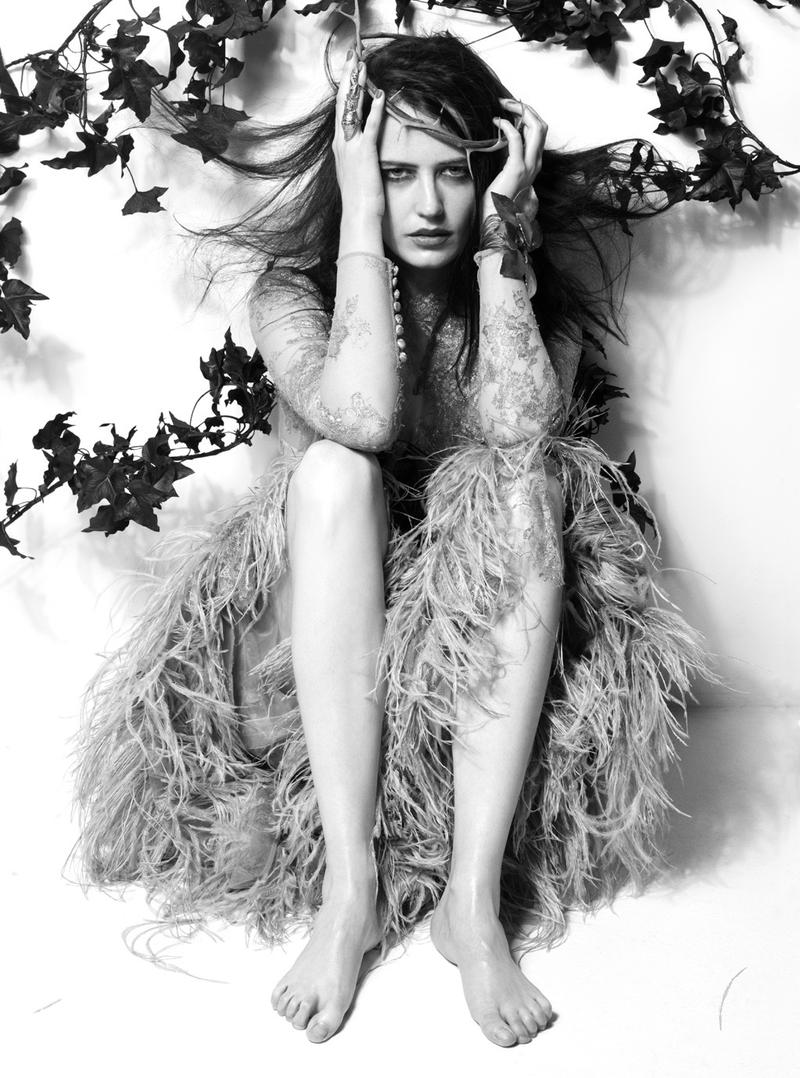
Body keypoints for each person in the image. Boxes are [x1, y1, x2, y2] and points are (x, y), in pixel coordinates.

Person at [76, 32, 713, 1048]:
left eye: (453, 173)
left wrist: (504, 253)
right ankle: (351, 888)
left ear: (489, 177)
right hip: (318, 636)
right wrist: (359, 225)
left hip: (476, 654)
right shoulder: (293, 294)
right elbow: (364, 417)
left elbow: (518, 433)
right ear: (355, 175)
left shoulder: (523, 302)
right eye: (396, 173)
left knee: (523, 486)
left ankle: (471, 902)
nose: (427, 203)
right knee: (335, 471)